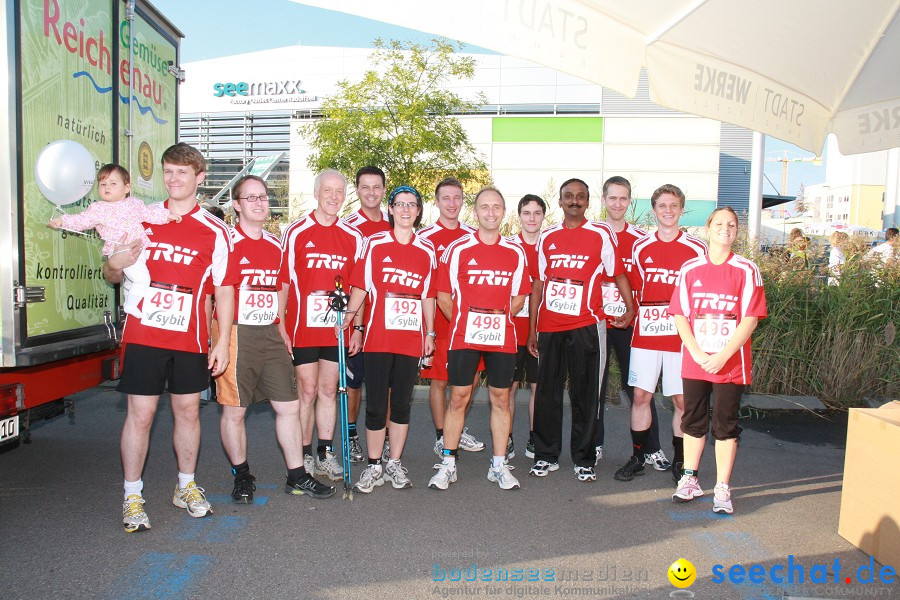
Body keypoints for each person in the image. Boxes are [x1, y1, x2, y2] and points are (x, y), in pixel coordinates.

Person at [103, 142, 234, 533]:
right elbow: (111, 272)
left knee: (188, 413)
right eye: (169, 171)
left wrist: (223, 341)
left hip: (190, 340)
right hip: (144, 334)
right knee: (140, 416)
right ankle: (132, 494)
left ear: (199, 177)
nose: (175, 178)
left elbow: (223, 290)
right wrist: (115, 263)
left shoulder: (216, 230)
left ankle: (186, 486)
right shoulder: (141, 219)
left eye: (183, 172)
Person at [215, 175, 335, 503]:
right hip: (237, 334)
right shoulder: (225, 242)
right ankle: (242, 475)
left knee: (289, 406)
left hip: (270, 331)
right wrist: (220, 340)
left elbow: (282, 285)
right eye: (250, 198)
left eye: (263, 197)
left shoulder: (275, 244)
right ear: (237, 205)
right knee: (235, 411)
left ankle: (297, 476)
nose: (258, 203)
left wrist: (281, 325)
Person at [527, 178, 634, 482]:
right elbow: (538, 285)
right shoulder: (546, 237)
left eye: (580, 196)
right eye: (568, 196)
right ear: (560, 202)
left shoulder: (601, 234)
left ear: (588, 202)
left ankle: (584, 458)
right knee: (547, 394)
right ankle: (546, 455)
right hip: (550, 327)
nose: (574, 201)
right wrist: (533, 329)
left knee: (586, 395)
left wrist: (630, 309)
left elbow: (618, 274)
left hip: (588, 326)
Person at [339, 185, 437, 493]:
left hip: (410, 341)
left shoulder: (427, 250)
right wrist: (349, 320)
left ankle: (394, 462)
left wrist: (430, 333)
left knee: (402, 404)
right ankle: (373, 466)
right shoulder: (374, 244)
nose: (406, 210)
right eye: (400, 204)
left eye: (412, 205)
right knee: (376, 405)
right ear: (390, 209)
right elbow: (360, 287)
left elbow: (428, 297)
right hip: (379, 340)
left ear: (418, 211)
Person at [430, 186, 529, 491]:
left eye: (496, 207)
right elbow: (444, 296)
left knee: (501, 399)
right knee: (459, 398)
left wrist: (496, 320)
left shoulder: (515, 251)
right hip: (464, 337)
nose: (490, 212)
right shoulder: (458, 249)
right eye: (484, 207)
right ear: (475, 212)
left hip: (502, 338)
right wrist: (465, 321)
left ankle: (499, 465)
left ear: (503, 212)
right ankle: (448, 462)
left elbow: (520, 298)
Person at [669, 206, 766, 514]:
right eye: (720, 223)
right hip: (695, 360)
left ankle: (722, 487)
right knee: (692, 421)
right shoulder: (690, 269)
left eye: (732, 224)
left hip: (730, 363)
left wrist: (723, 356)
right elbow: (680, 315)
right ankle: (689, 478)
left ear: (737, 231)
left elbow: (751, 318)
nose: (726, 228)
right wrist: (698, 353)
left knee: (725, 425)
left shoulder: (747, 269)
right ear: (708, 228)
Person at [615, 184, 707, 484]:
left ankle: (681, 461)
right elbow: (632, 285)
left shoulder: (696, 249)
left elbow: (701, 292)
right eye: (662, 206)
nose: (668, 211)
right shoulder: (641, 247)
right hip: (647, 331)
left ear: (682, 209)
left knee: (681, 400)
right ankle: (638, 456)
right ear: (654, 210)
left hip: (681, 336)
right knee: (641, 396)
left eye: (674, 205)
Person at [277, 169, 363, 481]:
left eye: (339, 191)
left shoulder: (354, 237)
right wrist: (280, 326)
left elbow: (359, 288)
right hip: (302, 327)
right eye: (328, 190)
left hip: (337, 328)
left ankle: (325, 452)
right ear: (316, 193)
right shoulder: (297, 231)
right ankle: (302, 454)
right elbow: (283, 282)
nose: (333, 197)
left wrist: (357, 327)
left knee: (329, 388)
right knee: (308, 390)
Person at [594, 177, 670, 472]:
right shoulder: (593, 234)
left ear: (630, 201)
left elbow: (645, 285)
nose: (617, 204)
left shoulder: (639, 240)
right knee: (594, 389)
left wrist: (633, 311)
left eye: (623, 199)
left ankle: (651, 448)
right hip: (598, 324)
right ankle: (594, 444)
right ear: (603, 200)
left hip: (630, 324)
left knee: (639, 388)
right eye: (612, 198)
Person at [49, 164, 181, 317]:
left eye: (113, 183)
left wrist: (166, 216)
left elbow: (148, 214)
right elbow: (81, 220)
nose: (107, 188)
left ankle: (151, 307)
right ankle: (130, 306)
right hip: (122, 251)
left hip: (141, 248)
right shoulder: (98, 208)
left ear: (126, 187)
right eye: (103, 184)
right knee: (142, 279)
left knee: (143, 277)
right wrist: (62, 221)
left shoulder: (134, 204)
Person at [418, 177, 485, 456]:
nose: (451, 203)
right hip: (439, 322)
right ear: (436, 202)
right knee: (440, 380)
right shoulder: (424, 238)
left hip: (471, 324)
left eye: (456, 197)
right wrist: (428, 330)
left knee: (471, 379)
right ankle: (440, 435)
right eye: (446, 198)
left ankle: (455, 428)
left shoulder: (474, 236)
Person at [342, 166, 392, 463]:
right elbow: (352, 280)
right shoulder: (350, 227)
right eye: (365, 187)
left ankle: (383, 437)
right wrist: (356, 326)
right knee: (354, 384)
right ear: (357, 190)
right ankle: (351, 435)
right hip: (360, 321)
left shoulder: (395, 223)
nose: (371, 192)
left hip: (389, 322)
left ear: (384, 190)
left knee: (384, 385)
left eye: (377, 187)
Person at [507, 194, 544, 461]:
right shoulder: (509, 247)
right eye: (526, 213)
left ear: (543, 216)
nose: (532, 218)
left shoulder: (550, 247)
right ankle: (505, 438)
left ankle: (535, 438)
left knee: (537, 387)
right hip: (510, 330)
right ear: (519, 216)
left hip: (541, 331)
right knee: (508, 388)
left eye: (537, 213)